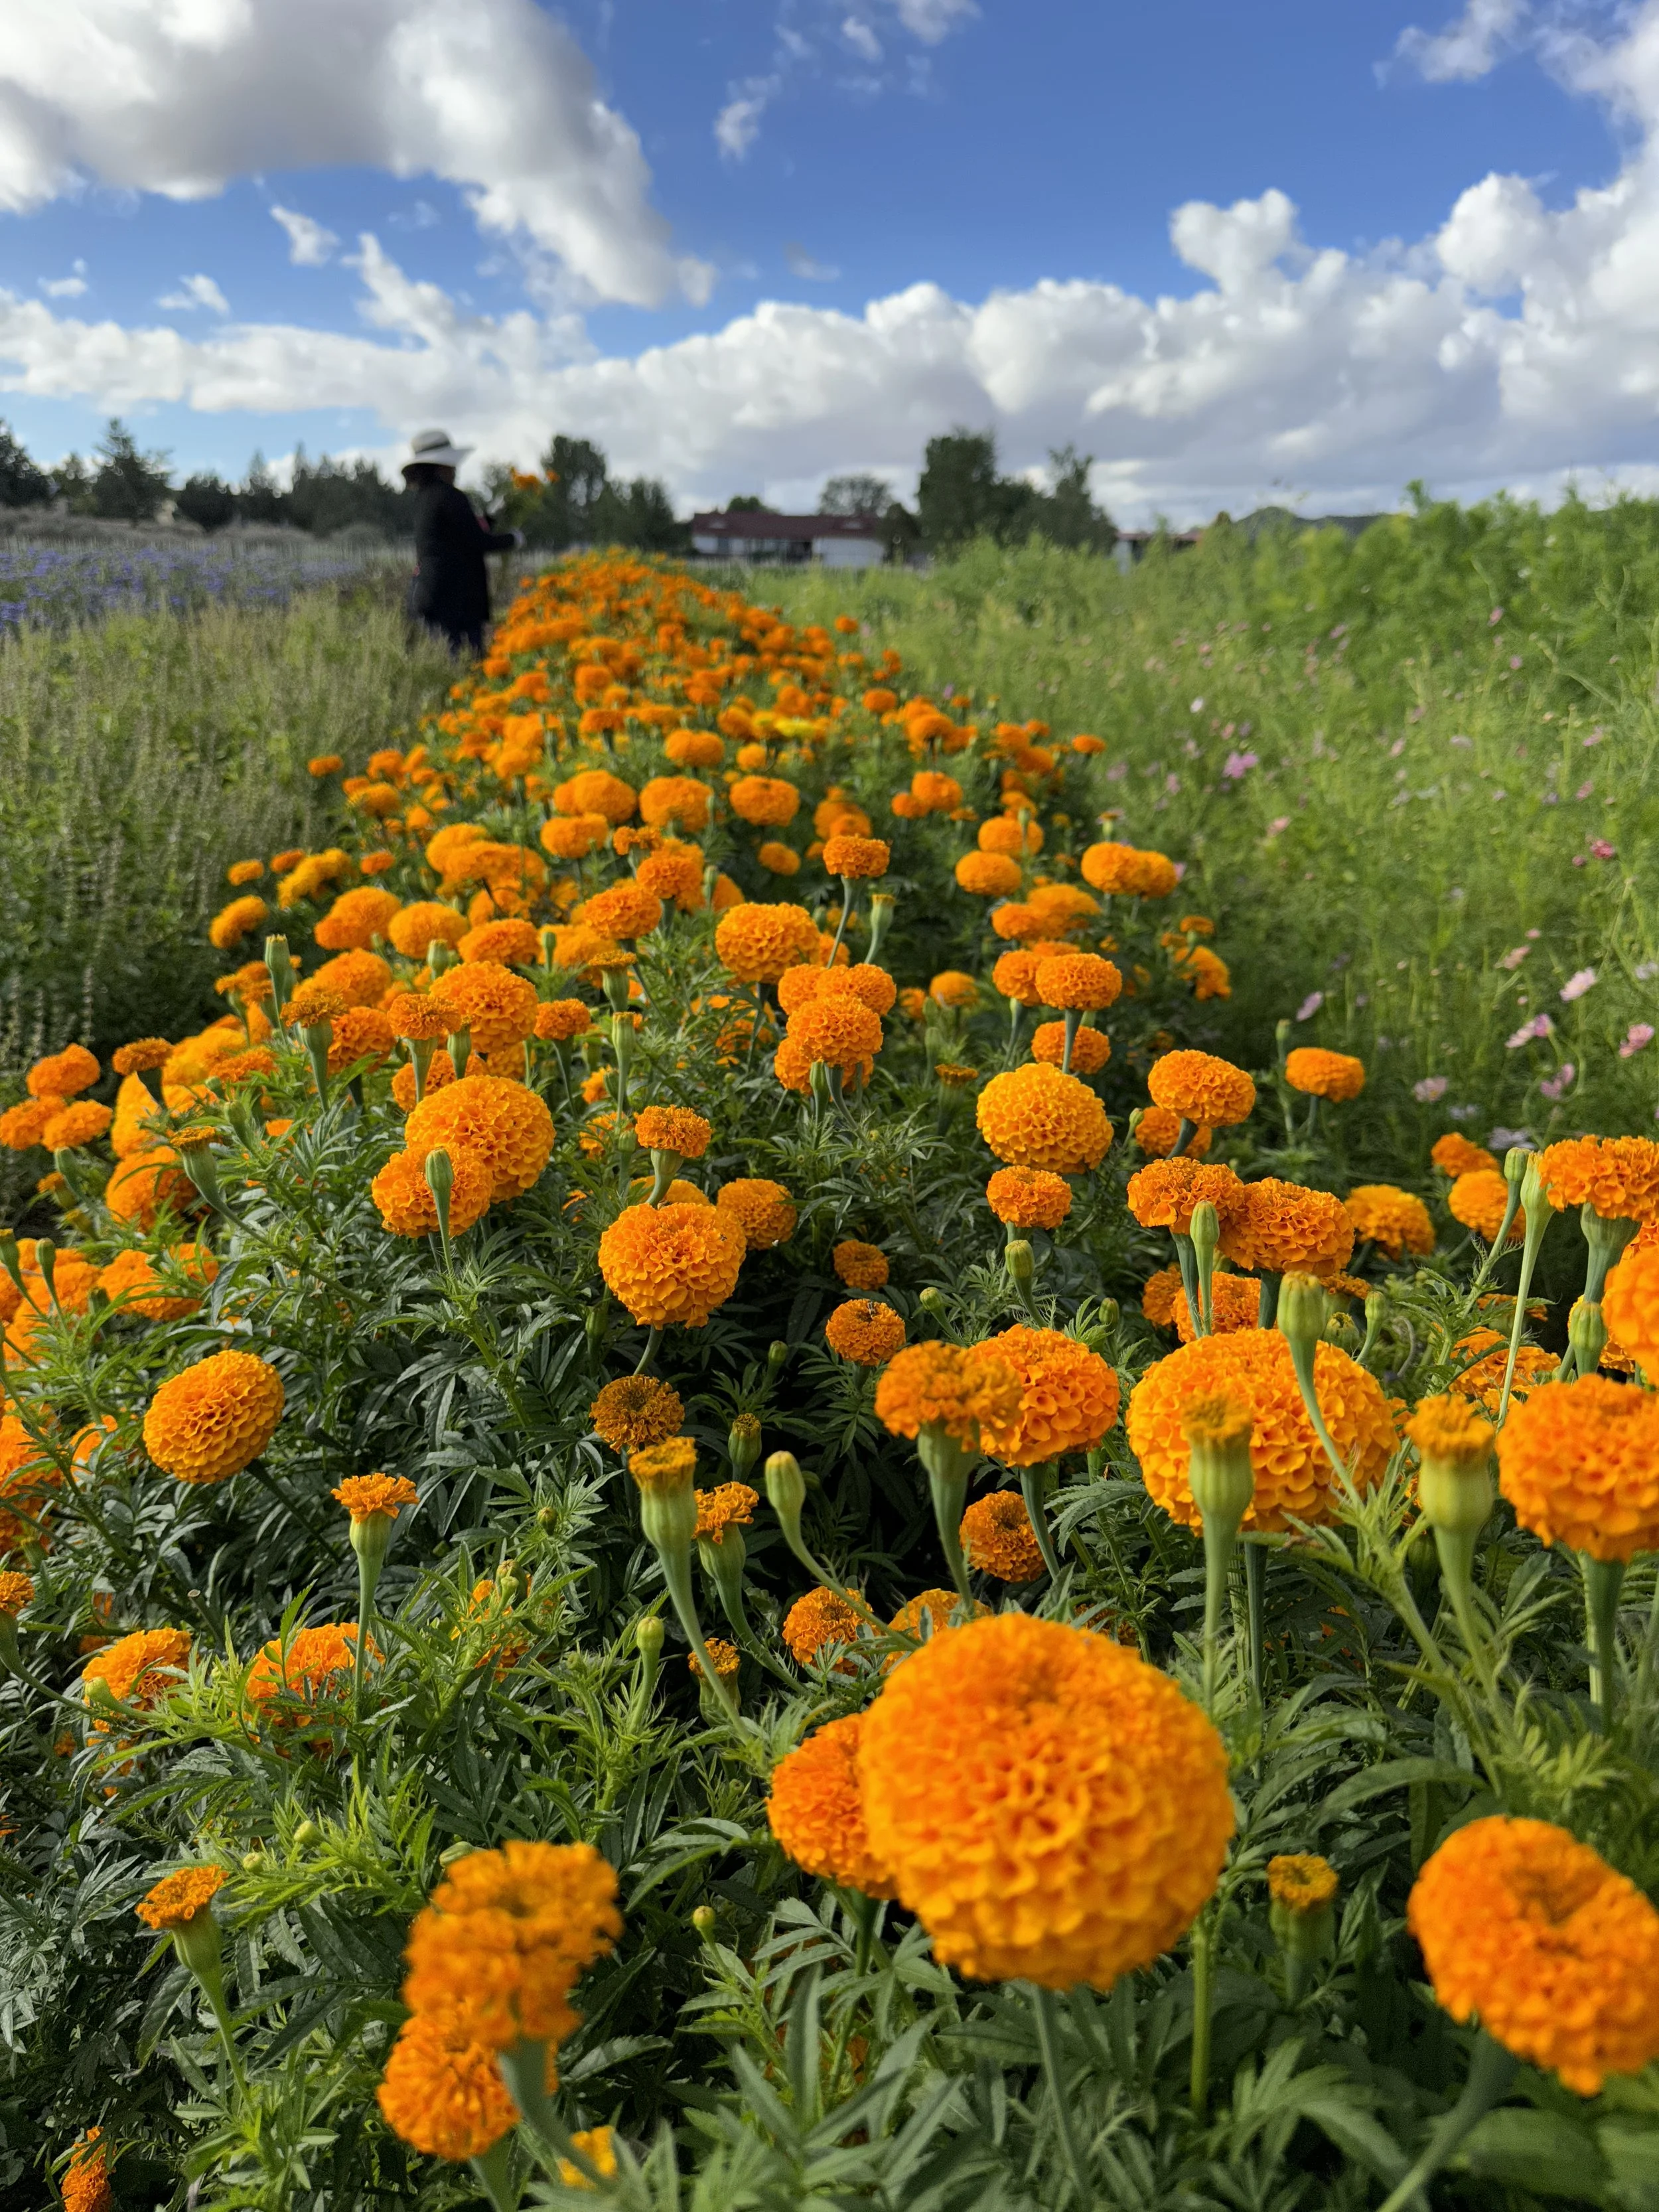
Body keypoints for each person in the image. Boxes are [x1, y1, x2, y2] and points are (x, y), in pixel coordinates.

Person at [401, 427, 520, 656]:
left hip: (429, 592)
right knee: (465, 663)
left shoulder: (424, 498)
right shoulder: (450, 497)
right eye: (451, 464)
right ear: (440, 466)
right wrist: (513, 539)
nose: (455, 470)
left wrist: (490, 517)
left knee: (439, 659)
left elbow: (457, 534)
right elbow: (477, 541)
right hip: (454, 600)